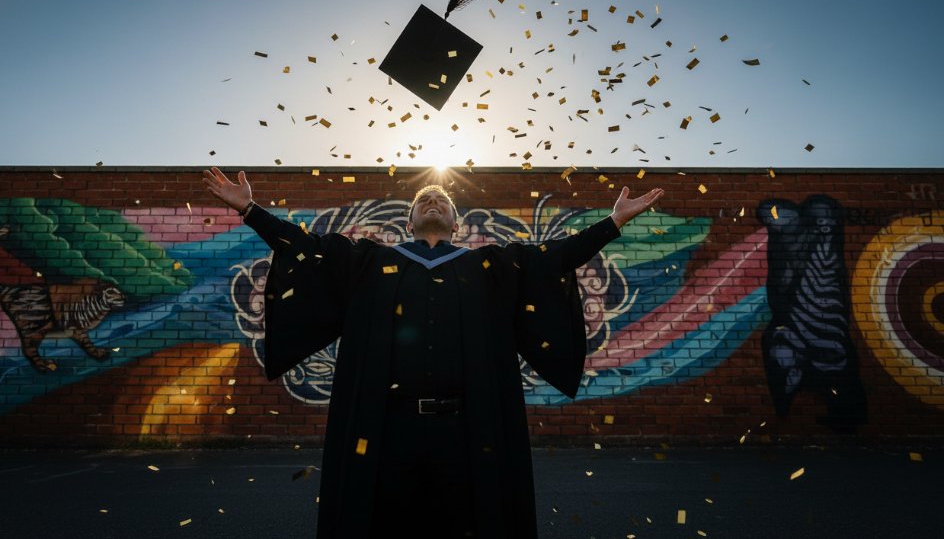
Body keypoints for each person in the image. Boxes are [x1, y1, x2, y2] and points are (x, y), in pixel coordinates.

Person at [202, 167, 664, 539]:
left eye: (442, 199)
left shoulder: (490, 266)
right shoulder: (368, 262)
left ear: (456, 222)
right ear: (408, 221)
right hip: (385, 430)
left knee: (470, 520)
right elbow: (305, 247)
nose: (432, 201)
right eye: (423, 198)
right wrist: (250, 210)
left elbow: (556, 256)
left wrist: (613, 222)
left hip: (469, 430)